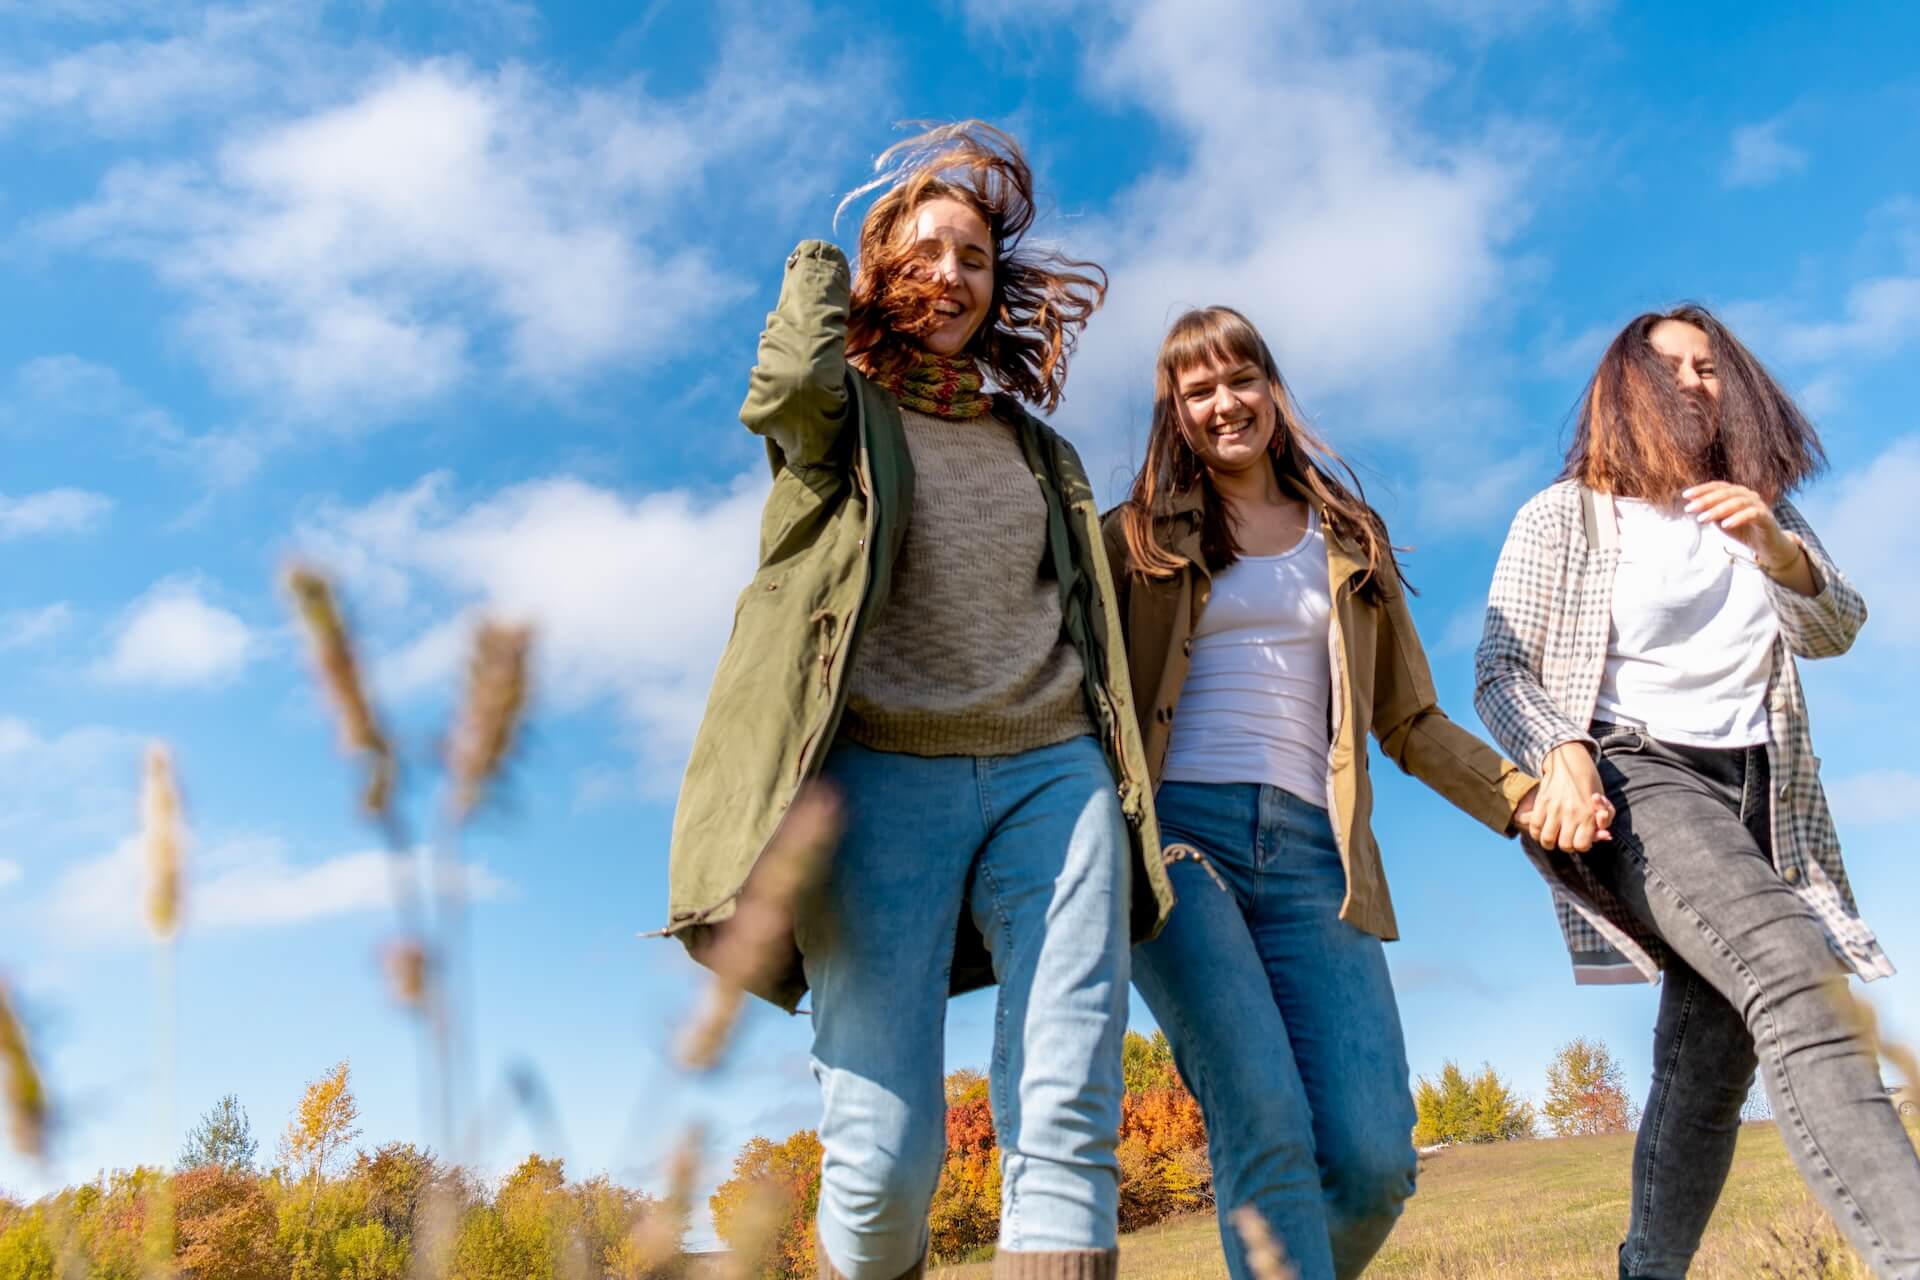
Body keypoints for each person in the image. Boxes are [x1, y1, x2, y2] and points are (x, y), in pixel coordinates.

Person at [664, 122, 1172, 1280]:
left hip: (1053, 770)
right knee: (884, 1159)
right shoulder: (839, 426)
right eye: (929, 250)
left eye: (977, 259)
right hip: (882, 783)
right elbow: (787, 381)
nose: (954, 275)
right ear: (886, 267)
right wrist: (823, 257)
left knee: (1064, 1102)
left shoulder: (1038, 451)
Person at [1102, 305, 1557, 1280]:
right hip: (1180, 843)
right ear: (1174, 413)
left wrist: (1519, 795)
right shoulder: (1134, 540)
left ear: (1272, 388)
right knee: (1264, 1118)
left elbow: (1408, 718)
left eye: (1241, 379)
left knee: (1373, 1158)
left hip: (1320, 853)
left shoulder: (1350, 538)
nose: (1225, 404)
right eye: (1198, 390)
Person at [1475, 304, 1920, 1279]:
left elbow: (1836, 624)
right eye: (1667, 363)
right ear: (1623, 385)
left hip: (1757, 798)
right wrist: (1564, 749)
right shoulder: (1568, 513)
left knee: (1710, 1055)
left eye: (1710, 365)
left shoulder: (1760, 509)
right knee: (1799, 973)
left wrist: (1777, 545)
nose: (1691, 379)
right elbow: (1502, 668)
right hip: (1636, 779)